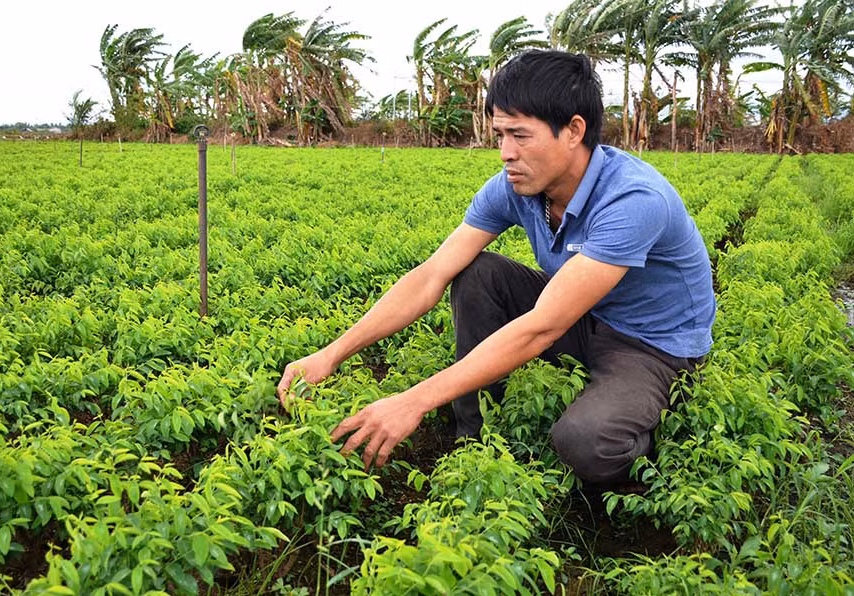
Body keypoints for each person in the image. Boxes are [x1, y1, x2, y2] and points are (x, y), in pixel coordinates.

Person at [276, 49, 716, 485]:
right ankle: (474, 440)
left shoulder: (633, 199)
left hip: (649, 345)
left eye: (520, 135)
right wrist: (329, 354)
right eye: (499, 134)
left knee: (586, 441)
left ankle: (644, 432)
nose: (506, 152)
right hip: (582, 317)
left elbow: (543, 326)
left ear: (573, 131)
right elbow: (431, 275)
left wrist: (413, 400)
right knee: (474, 273)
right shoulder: (516, 186)